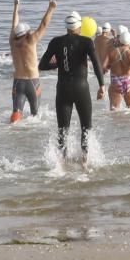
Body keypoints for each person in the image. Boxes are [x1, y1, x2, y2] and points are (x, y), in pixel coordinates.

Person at [38, 12, 106, 164]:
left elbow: (41, 65)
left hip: (63, 89)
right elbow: (96, 64)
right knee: (86, 127)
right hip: (81, 88)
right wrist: (102, 85)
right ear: (79, 27)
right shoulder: (87, 42)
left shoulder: (56, 42)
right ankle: (85, 161)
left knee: (63, 129)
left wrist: (58, 64)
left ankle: (61, 163)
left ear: (67, 27)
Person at [9, 0, 57, 123]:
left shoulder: (12, 42)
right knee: (35, 115)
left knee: (16, 112)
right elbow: (44, 25)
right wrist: (51, 8)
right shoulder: (31, 40)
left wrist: (16, 7)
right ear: (26, 33)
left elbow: (14, 25)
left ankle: (12, 128)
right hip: (32, 82)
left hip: (17, 83)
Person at [105, 31, 130, 110]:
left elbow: (103, 67)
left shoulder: (111, 52)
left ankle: (116, 123)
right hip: (128, 81)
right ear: (129, 42)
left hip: (115, 82)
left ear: (119, 41)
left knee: (114, 110)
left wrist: (109, 67)